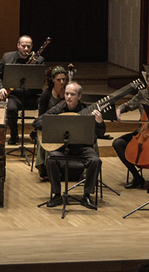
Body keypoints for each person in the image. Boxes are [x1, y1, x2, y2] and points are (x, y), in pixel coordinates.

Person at [33, 81, 104, 210]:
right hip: (62, 148)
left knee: (95, 160)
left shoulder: (87, 111)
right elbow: (37, 121)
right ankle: (57, 195)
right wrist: (56, 126)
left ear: (79, 96)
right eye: (66, 94)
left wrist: (99, 123)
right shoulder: (59, 108)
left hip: (82, 149)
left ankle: (87, 195)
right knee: (51, 159)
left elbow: (100, 133)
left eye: (72, 94)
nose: (69, 97)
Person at [0, 35, 45, 145]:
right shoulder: (7, 57)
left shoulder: (39, 60)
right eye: (23, 46)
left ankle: (37, 131)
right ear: (18, 45)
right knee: (11, 108)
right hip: (15, 95)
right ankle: (14, 135)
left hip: (33, 95)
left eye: (28, 46)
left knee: (45, 102)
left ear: (32, 47)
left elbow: (41, 80)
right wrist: (1, 88)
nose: (26, 49)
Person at [33, 66, 68, 178]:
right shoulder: (46, 94)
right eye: (58, 79)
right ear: (52, 79)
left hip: (64, 127)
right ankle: (45, 169)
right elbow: (40, 117)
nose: (62, 82)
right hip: (49, 127)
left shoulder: (68, 93)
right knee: (45, 140)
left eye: (64, 79)